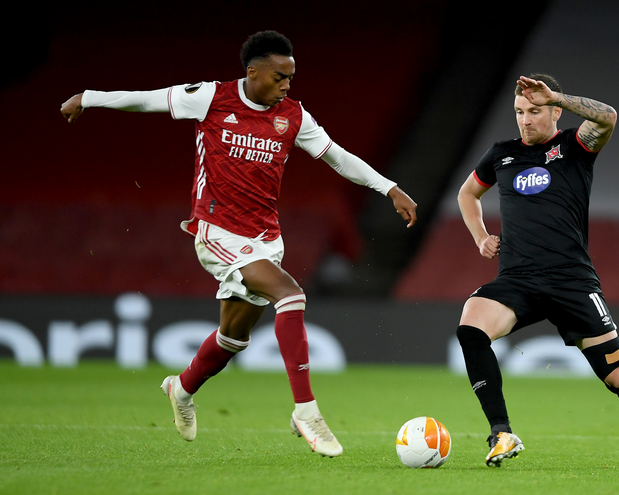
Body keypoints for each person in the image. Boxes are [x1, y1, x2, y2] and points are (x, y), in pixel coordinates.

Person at [60, 30, 418, 458]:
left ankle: (182, 387)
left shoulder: (294, 116)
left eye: (291, 77)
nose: (287, 85)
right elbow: (147, 98)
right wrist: (89, 96)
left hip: (266, 237)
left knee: (233, 337)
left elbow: (338, 156)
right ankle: (306, 411)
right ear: (254, 72)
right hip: (217, 230)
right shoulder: (210, 98)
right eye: (280, 77)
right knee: (291, 294)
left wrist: (389, 187)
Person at [455, 73, 619, 469]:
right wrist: (480, 236)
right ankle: (501, 431)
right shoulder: (502, 155)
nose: (525, 120)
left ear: (555, 111)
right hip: (518, 279)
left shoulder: (574, 147)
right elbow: (468, 193)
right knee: (471, 328)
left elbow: (608, 117)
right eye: (519, 112)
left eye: (534, 111)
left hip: (571, 282)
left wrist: (557, 94)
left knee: (617, 377)